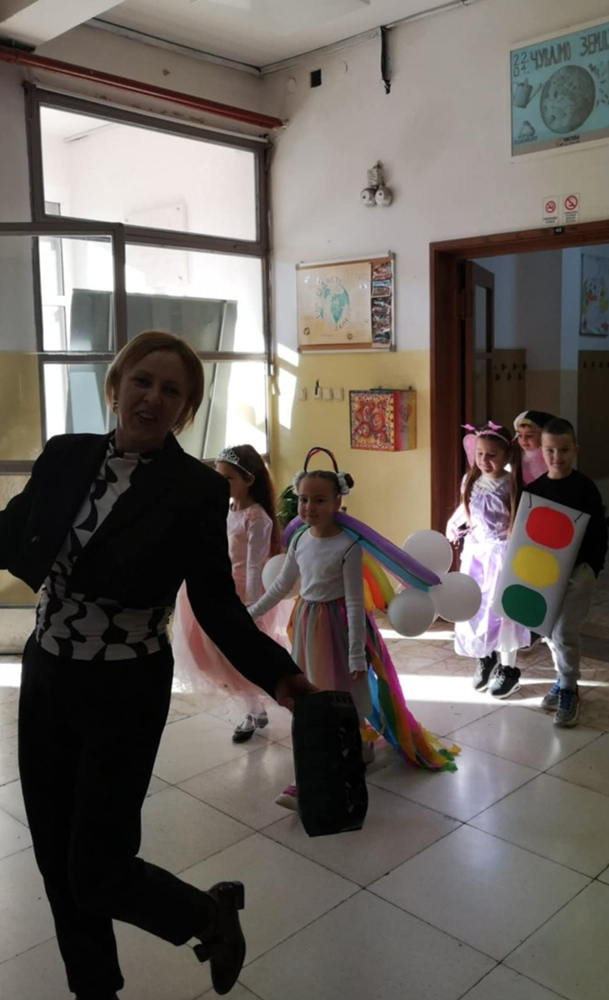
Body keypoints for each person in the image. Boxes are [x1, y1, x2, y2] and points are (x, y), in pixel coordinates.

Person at [0, 330, 313, 1000]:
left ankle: (205, 916)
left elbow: (216, 601)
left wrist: (280, 674)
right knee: (56, 859)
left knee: (97, 867)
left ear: (186, 411)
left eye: (172, 391)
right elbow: (12, 532)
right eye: (142, 380)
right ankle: (96, 992)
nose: (153, 397)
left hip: (124, 688)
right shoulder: (65, 455)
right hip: (48, 674)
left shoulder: (194, 489)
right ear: (116, 385)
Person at [250, 462, 457, 809]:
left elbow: (355, 601)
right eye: (303, 499)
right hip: (307, 623)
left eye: (319, 500)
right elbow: (282, 585)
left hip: (338, 625)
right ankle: (339, 756)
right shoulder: (299, 539)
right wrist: (252, 612)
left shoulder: (348, 546)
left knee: (343, 693)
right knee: (312, 695)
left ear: (337, 503)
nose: (309, 507)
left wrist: (357, 654)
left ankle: (331, 765)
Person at [172, 444, 292, 744]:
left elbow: (254, 565)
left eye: (228, 478)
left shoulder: (257, 518)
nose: (220, 483)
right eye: (219, 476)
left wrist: (250, 606)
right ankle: (254, 709)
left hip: (239, 593)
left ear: (249, 479)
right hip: (215, 584)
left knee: (238, 656)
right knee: (211, 655)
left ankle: (255, 710)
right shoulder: (226, 508)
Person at [526, 417, 608, 727]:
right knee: (549, 630)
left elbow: (599, 531)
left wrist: (593, 568)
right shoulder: (534, 490)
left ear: (574, 450)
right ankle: (563, 681)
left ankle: (570, 687)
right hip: (545, 575)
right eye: (549, 450)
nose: (556, 457)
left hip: (578, 573)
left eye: (563, 450)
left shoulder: (585, 488)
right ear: (541, 451)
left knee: (564, 632)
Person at [447, 421, 530, 698]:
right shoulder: (470, 480)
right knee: (476, 607)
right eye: (480, 453)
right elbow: (467, 507)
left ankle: (508, 670)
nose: (484, 460)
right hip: (475, 554)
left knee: (503, 611)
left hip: (501, 556)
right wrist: (454, 522)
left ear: (507, 456)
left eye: (492, 455)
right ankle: (485, 658)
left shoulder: (511, 485)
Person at [513, 410, 556, 486]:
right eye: (520, 435)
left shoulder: (549, 459)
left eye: (529, 435)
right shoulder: (518, 458)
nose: (523, 440)